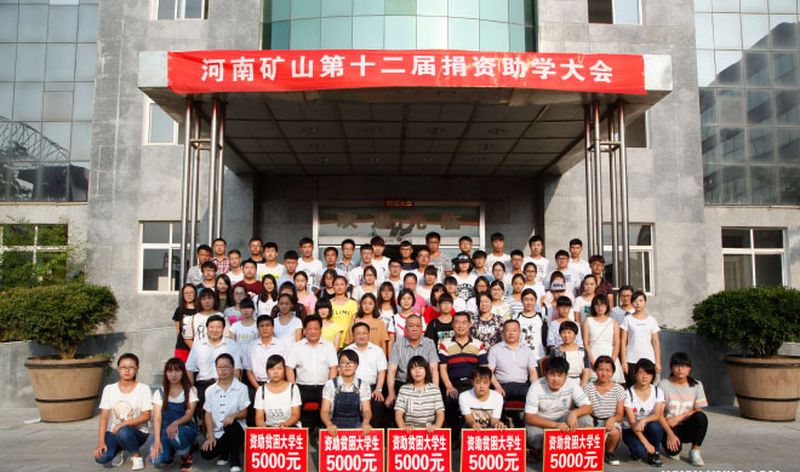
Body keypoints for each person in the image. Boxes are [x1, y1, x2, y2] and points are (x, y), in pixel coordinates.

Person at [523, 356, 592, 456]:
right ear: (546, 374)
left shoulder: (571, 384)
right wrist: (555, 425)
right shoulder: (536, 387)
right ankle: (541, 453)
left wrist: (575, 413)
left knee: (586, 419)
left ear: (566, 376)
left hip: (563, 418)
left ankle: (582, 450)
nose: (556, 379)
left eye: (560, 375)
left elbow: (589, 407)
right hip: (542, 421)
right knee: (534, 435)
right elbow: (530, 417)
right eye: (552, 375)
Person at [93, 354, 152, 470]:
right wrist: (100, 442)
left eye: (131, 367)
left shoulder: (143, 389)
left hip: (136, 433)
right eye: (123, 367)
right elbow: (104, 417)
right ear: (118, 369)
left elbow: (146, 415)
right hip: (113, 432)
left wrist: (124, 424)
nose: (127, 370)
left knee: (123, 432)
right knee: (101, 458)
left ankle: (136, 456)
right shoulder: (109, 389)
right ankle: (119, 449)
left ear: (137, 369)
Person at [439, 311, 488, 444]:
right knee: (449, 401)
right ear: (453, 325)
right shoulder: (445, 344)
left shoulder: (478, 344)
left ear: (470, 324)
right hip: (454, 383)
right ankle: (454, 438)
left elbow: (484, 369)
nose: (461, 326)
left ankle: (477, 437)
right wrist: (449, 386)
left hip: (473, 384)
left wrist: (479, 386)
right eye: (457, 323)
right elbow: (442, 369)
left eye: (464, 323)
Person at [286, 315, 339, 433]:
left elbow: (333, 367)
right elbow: (289, 368)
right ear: (304, 331)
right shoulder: (297, 346)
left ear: (321, 330)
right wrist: (293, 387)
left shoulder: (328, 346)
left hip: (323, 386)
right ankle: (303, 433)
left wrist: (331, 386)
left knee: (326, 412)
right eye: (310, 329)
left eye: (316, 328)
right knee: (298, 415)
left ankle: (322, 433)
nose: (313, 331)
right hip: (302, 387)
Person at [200, 353, 249, 472]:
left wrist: (234, 415)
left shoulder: (242, 388)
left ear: (232, 368)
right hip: (218, 432)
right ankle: (225, 452)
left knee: (230, 425)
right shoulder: (210, 390)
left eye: (226, 367)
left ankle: (234, 458)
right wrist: (210, 435)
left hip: (237, 430)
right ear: (216, 368)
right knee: (206, 453)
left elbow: (244, 413)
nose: (223, 370)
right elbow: (208, 414)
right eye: (220, 367)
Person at [186, 315, 241, 419]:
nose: (215, 330)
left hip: (225, 384)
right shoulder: (198, 345)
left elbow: (236, 369)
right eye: (212, 327)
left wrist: (234, 387)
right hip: (203, 384)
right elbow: (189, 369)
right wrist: (190, 390)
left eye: (218, 327)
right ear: (207, 328)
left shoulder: (231, 345)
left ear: (223, 329)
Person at [150, 358, 199, 471]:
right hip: (165, 431)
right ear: (166, 374)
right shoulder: (160, 392)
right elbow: (157, 418)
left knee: (177, 434)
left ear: (183, 372)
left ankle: (186, 456)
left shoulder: (190, 390)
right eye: (170, 371)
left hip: (185, 429)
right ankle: (171, 450)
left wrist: (175, 423)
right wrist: (157, 441)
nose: (173, 374)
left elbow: (189, 414)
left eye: (177, 370)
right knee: (157, 459)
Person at [661, 352, 708, 466]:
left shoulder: (697, 385)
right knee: (673, 452)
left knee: (701, 417)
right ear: (671, 368)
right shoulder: (663, 385)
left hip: (688, 425)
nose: (680, 369)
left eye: (684, 366)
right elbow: (659, 413)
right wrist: (669, 433)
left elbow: (699, 410)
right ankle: (673, 447)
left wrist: (679, 417)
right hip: (670, 426)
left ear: (689, 369)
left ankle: (695, 451)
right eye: (676, 365)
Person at [622, 359, 669, 467]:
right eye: (641, 373)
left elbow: (657, 415)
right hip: (631, 429)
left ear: (653, 376)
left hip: (648, 426)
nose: (644, 376)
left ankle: (654, 452)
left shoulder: (657, 391)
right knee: (640, 452)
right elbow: (632, 422)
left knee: (656, 427)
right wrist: (646, 443)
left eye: (648, 373)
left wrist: (644, 420)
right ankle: (642, 450)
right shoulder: (628, 394)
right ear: (635, 374)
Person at [385, 315, 440, 407]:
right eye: (411, 326)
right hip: (403, 384)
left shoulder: (429, 343)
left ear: (422, 328)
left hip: (424, 384)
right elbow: (391, 371)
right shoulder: (397, 345)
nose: (414, 329)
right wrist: (391, 393)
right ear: (405, 329)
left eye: (417, 326)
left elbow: (434, 369)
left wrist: (435, 392)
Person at [583, 356, 626, 466]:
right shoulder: (588, 388)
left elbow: (620, 415)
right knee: (586, 427)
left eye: (608, 370)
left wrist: (613, 419)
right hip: (593, 421)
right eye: (601, 370)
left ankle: (609, 452)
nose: (604, 373)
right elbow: (583, 409)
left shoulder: (619, 389)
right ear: (595, 370)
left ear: (613, 372)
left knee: (615, 432)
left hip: (610, 422)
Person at [345, 322, 389, 427]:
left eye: (364, 333)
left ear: (369, 334)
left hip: (372, 387)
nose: (361, 336)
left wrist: (378, 390)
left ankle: (374, 433)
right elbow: (343, 372)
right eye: (358, 333)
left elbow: (382, 371)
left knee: (378, 403)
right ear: (353, 335)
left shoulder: (377, 350)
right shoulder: (347, 351)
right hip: (352, 386)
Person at [321, 350, 373, 436]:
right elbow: (324, 411)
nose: (347, 365)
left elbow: (367, 410)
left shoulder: (363, 385)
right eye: (343, 362)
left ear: (356, 365)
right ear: (339, 366)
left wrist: (366, 423)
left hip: (357, 427)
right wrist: (329, 424)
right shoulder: (330, 384)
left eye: (351, 362)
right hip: (334, 427)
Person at [489, 319, 538, 402]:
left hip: (523, 386)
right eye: (508, 330)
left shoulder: (527, 350)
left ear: (519, 332)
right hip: (503, 385)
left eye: (514, 330)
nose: (511, 333)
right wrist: (497, 387)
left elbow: (533, 373)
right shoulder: (495, 349)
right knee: (495, 399)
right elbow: (489, 371)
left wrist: (534, 389)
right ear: (503, 333)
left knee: (535, 399)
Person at [620, 291, 661, 386]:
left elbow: (656, 342)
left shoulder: (651, 320)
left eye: (640, 300)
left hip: (649, 359)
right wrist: (624, 362)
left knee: (648, 387)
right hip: (631, 359)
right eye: (635, 301)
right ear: (632, 303)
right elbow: (623, 342)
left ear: (645, 302)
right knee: (632, 387)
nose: (638, 303)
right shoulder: (627, 319)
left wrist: (658, 362)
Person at [395, 356, 445, 432]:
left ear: (426, 370)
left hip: (429, 431)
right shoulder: (404, 389)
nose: (417, 371)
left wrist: (436, 427)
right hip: (409, 431)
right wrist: (403, 427)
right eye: (413, 368)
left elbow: (440, 413)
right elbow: (398, 413)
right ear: (409, 372)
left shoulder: (435, 389)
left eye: (420, 368)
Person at [582, 294, 624, 383]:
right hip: (593, 354)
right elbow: (586, 343)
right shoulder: (588, 321)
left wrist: (612, 361)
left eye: (603, 305)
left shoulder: (613, 322)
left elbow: (616, 344)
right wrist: (592, 361)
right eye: (597, 305)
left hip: (610, 354)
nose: (600, 308)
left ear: (607, 306)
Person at [254, 354, 302, 428]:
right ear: (267, 371)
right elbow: (259, 417)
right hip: (269, 428)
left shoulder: (293, 388)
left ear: (284, 370)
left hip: (290, 427)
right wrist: (263, 428)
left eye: (279, 368)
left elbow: (296, 414)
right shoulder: (261, 390)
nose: (275, 372)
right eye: (272, 369)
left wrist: (284, 425)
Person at [549, 321, 591, 386]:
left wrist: (582, 385)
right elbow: (552, 370)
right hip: (560, 384)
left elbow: (586, 370)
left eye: (569, 332)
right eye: (563, 332)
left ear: (575, 334)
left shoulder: (582, 351)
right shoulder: (555, 351)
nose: (566, 335)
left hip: (578, 382)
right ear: (560, 334)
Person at [516, 288, 547, 361]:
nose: (529, 302)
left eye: (531, 300)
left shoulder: (541, 317)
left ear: (535, 301)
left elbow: (545, 335)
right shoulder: (516, 317)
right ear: (522, 300)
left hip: (539, 356)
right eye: (526, 299)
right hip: (521, 356)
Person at [329, 275, 358, 348]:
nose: (339, 287)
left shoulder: (353, 304)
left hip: (348, 340)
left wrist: (350, 338)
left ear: (346, 287)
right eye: (336, 284)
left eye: (342, 284)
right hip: (331, 340)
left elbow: (354, 322)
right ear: (333, 287)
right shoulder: (328, 303)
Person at [228, 298, 258, 366]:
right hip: (239, 362)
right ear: (240, 310)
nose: (246, 310)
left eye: (248, 308)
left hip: (255, 361)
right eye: (243, 308)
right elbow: (232, 346)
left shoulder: (258, 325)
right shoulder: (235, 326)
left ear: (253, 309)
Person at [173, 284, 197, 362]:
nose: (188, 295)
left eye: (191, 292)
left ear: (195, 294)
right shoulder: (179, 310)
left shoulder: (200, 310)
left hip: (197, 345)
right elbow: (178, 330)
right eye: (186, 293)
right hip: (182, 347)